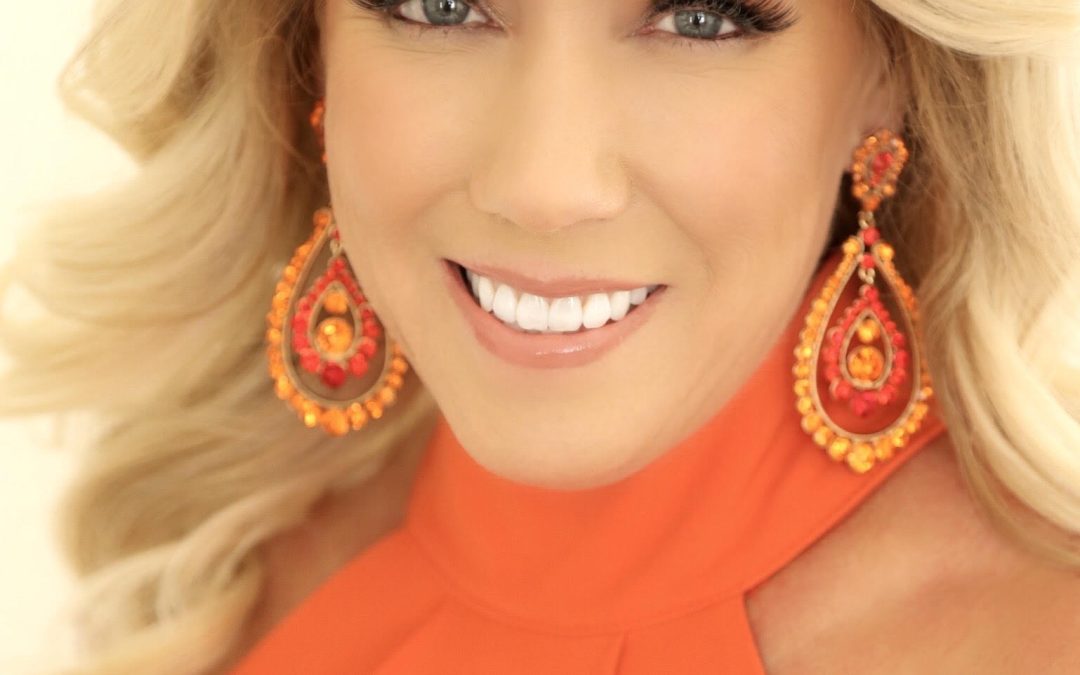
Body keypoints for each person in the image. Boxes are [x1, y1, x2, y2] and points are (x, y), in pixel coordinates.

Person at [2, 0, 1079, 672]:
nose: (545, 185)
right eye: (441, 6)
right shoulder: (240, 564)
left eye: (699, 19)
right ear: (307, 56)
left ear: (888, 76)